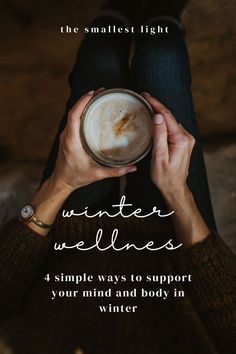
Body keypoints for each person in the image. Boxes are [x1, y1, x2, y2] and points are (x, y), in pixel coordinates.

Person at [0, 1, 235, 354]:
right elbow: (227, 311)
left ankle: (116, 8)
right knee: (161, 53)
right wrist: (177, 192)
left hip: (66, 241)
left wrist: (61, 182)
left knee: (100, 63)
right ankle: (162, 9)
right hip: (173, 241)